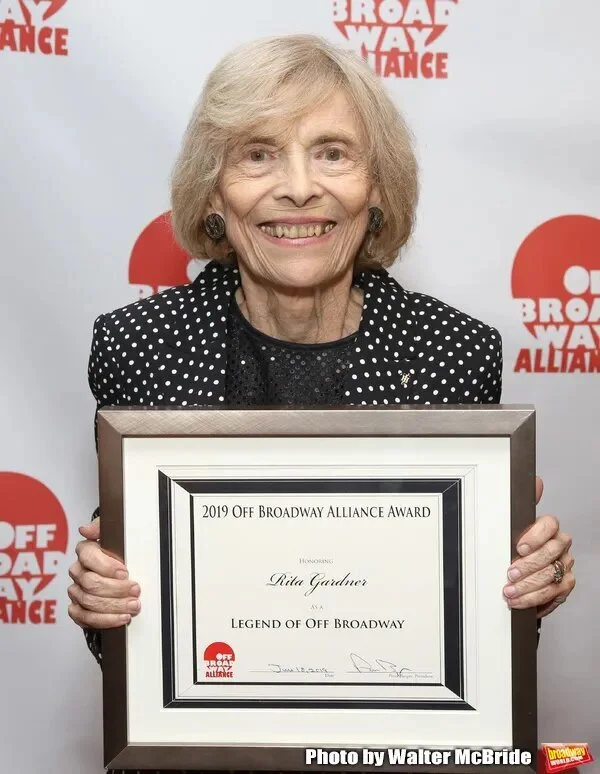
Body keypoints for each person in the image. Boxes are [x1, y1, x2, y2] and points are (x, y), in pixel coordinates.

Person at [67, 34, 575, 774]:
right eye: (258, 154)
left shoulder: (453, 353)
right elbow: (136, 631)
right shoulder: (142, 345)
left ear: (378, 189)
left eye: (332, 153)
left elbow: (470, 633)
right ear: (214, 194)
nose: (299, 188)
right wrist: (106, 601)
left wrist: (524, 587)